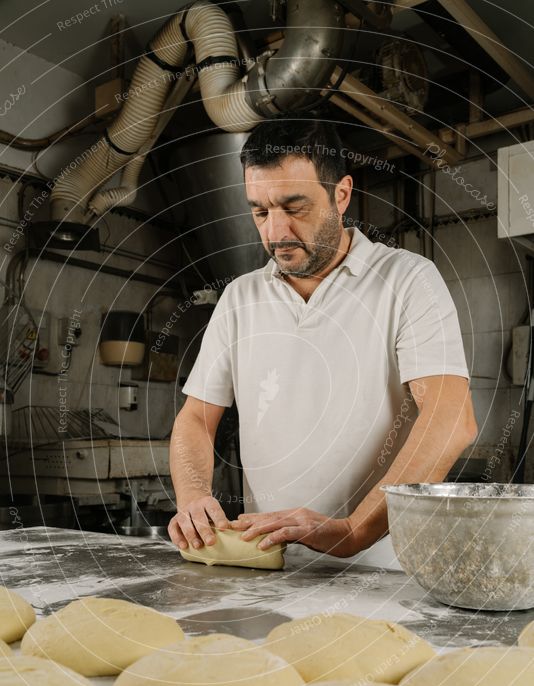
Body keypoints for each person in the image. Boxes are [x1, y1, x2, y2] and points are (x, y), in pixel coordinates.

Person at [167, 118, 477, 558]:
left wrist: (352, 531)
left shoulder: (408, 280)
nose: (275, 233)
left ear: (342, 195)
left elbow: (450, 420)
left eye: (294, 208)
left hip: (381, 572)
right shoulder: (240, 298)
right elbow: (197, 417)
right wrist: (194, 496)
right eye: (260, 211)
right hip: (269, 568)